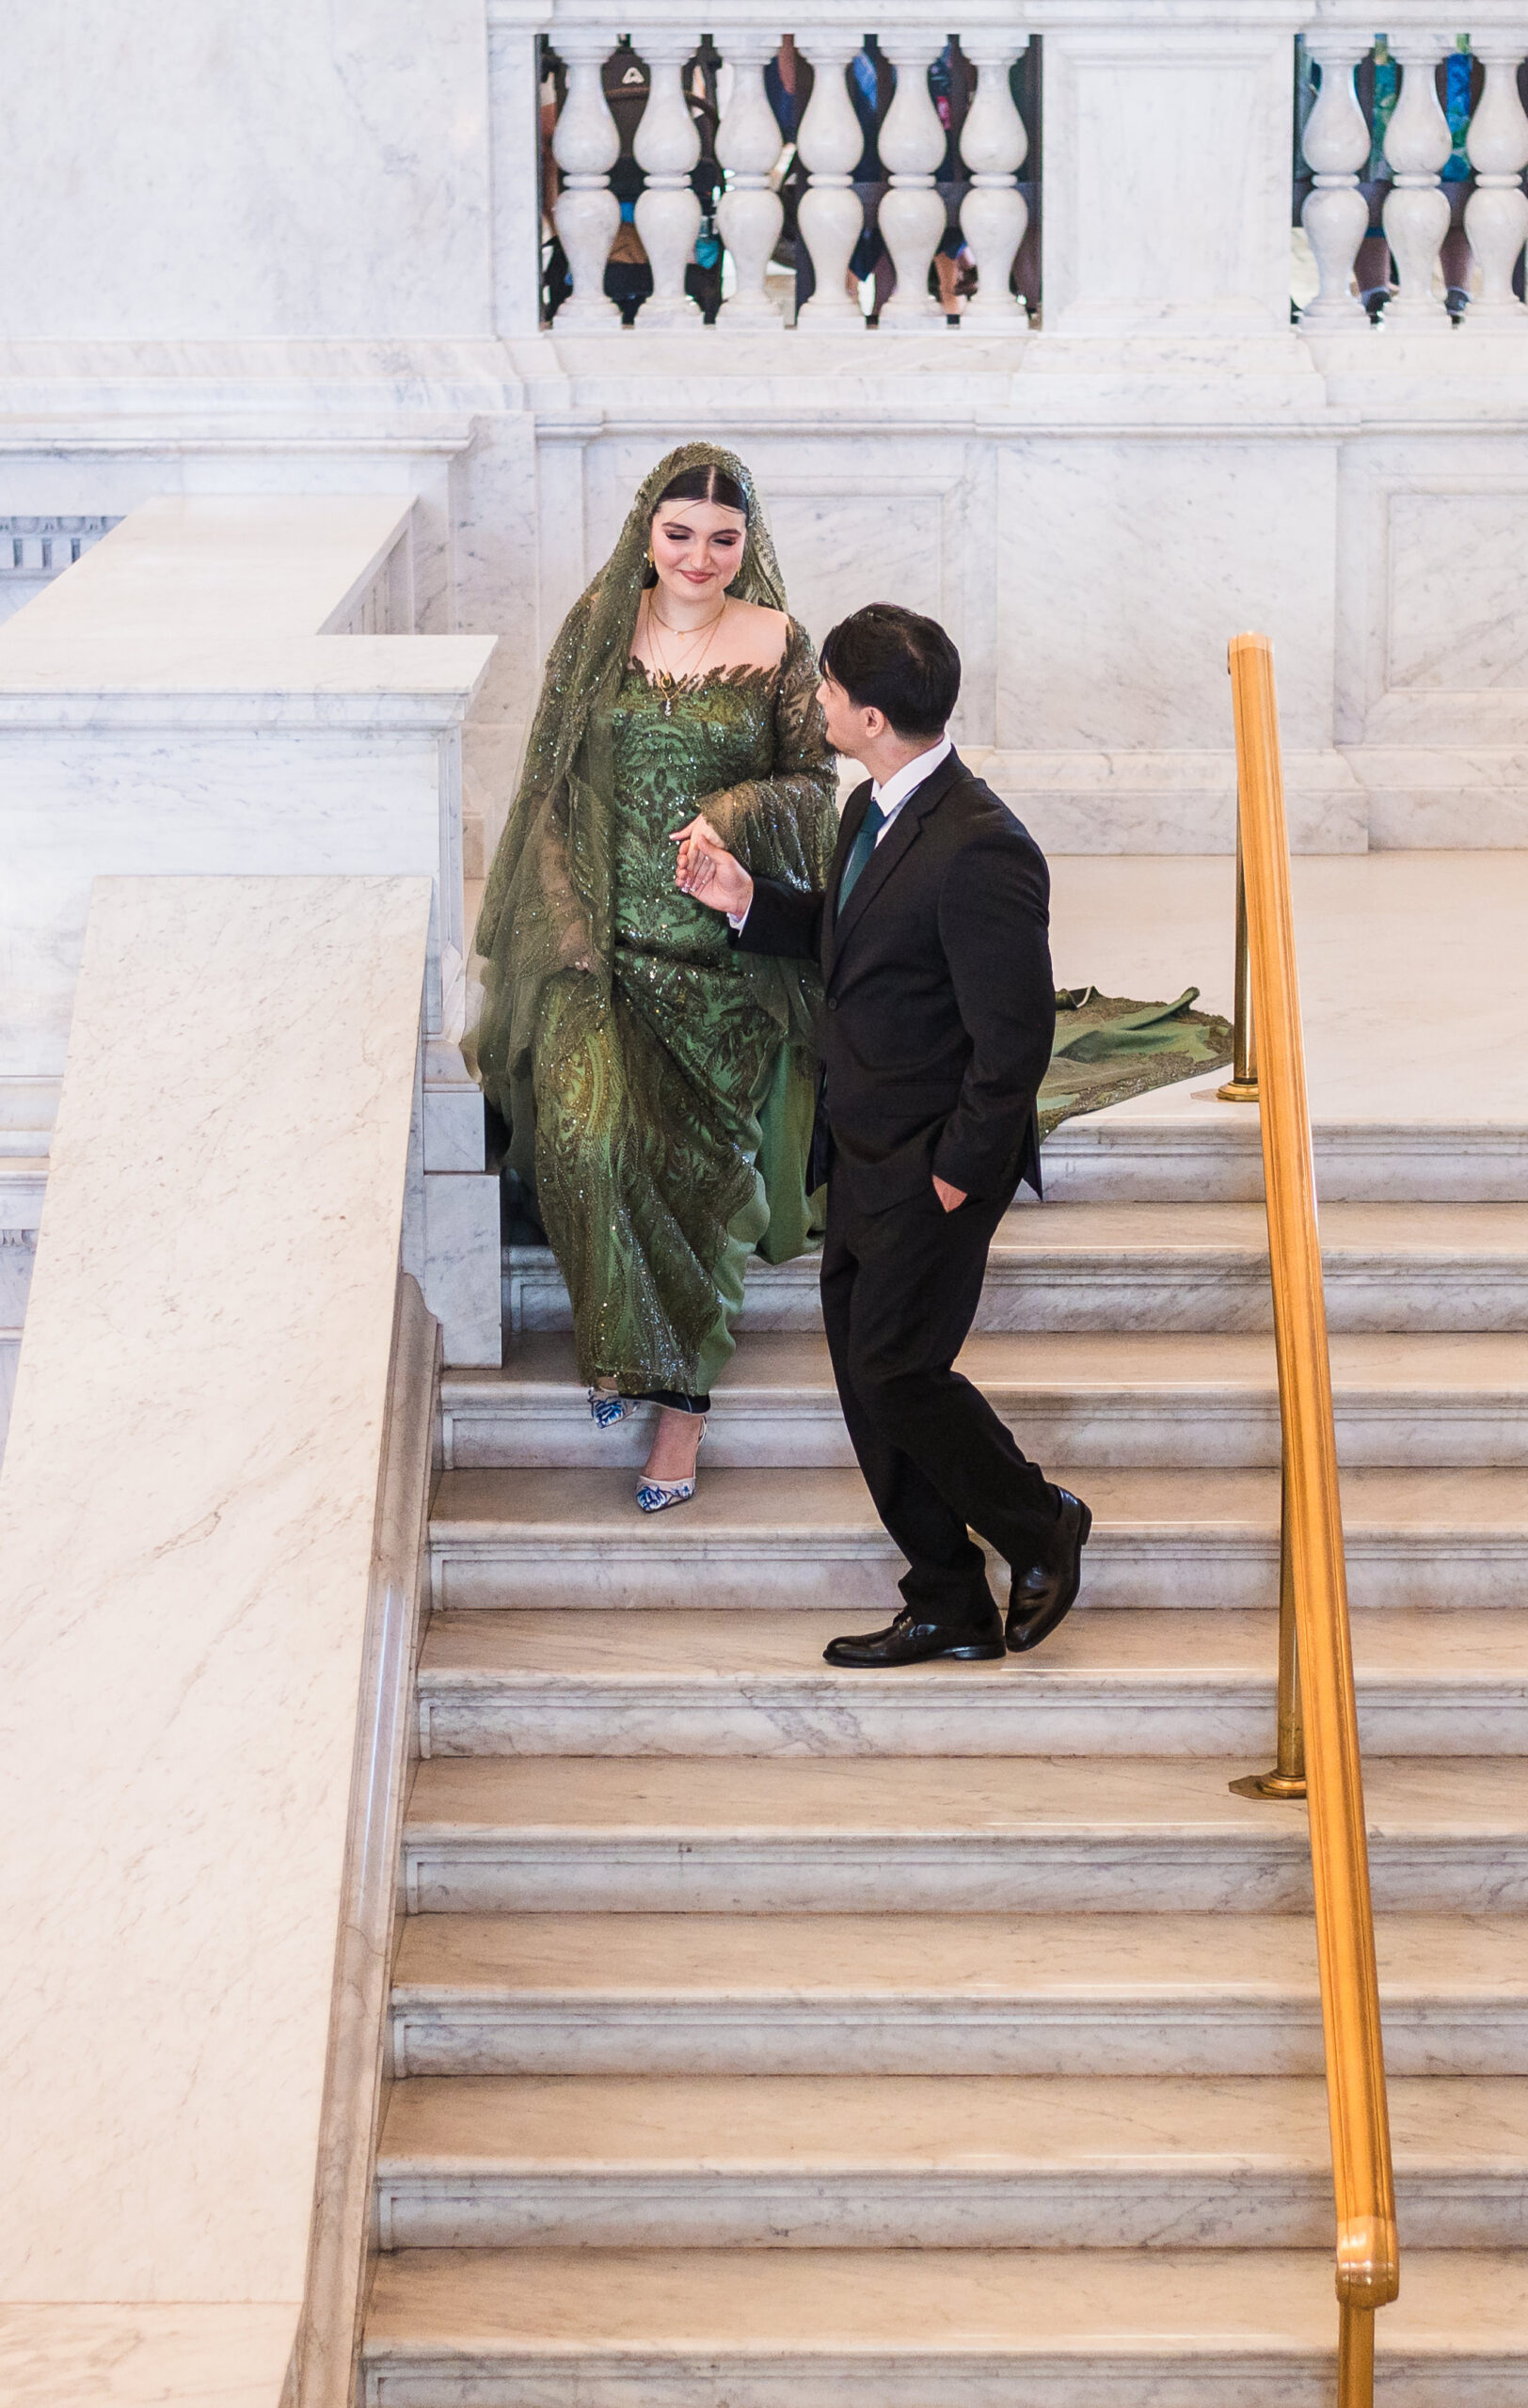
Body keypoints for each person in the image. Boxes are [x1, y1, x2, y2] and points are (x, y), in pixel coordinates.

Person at [675, 602, 1090, 1665]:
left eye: (824, 691)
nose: (812, 702)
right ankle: (946, 1596)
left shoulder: (983, 848)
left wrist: (957, 1175)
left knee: (900, 1371)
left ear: (865, 714)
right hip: (856, 1153)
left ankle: (1039, 1522)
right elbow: (849, 936)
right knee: (870, 1382)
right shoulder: (875, 807)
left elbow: (1014, 1044)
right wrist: (744, 900)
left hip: (929, 1168)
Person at [470, 444, 837, 1512]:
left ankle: (678, 1405)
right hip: (598, 956)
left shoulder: (777, 642)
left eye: (723, 539)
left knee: (692, 1170)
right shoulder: (599, 632)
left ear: (746, 544)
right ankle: (618, 1336)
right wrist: (565, 929)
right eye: (680, 534)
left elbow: (813, 785)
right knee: (589, 1138)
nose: (700, 557)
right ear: (647, 531)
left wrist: (728, 817)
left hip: (719, 960)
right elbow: (545, 789)